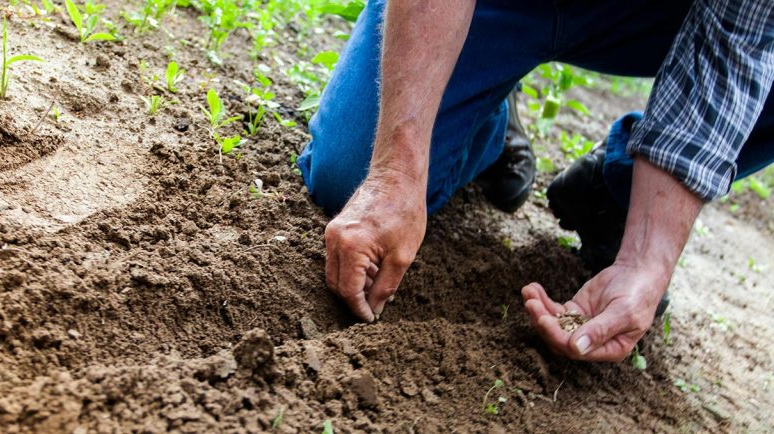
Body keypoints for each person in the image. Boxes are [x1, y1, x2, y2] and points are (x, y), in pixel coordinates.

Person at [296, 0, 774, 362]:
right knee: (349, 175)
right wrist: (396, 171)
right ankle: (486, 118)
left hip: (651, 15)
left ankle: (618, 194)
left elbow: (736, 40)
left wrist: (645, 260)